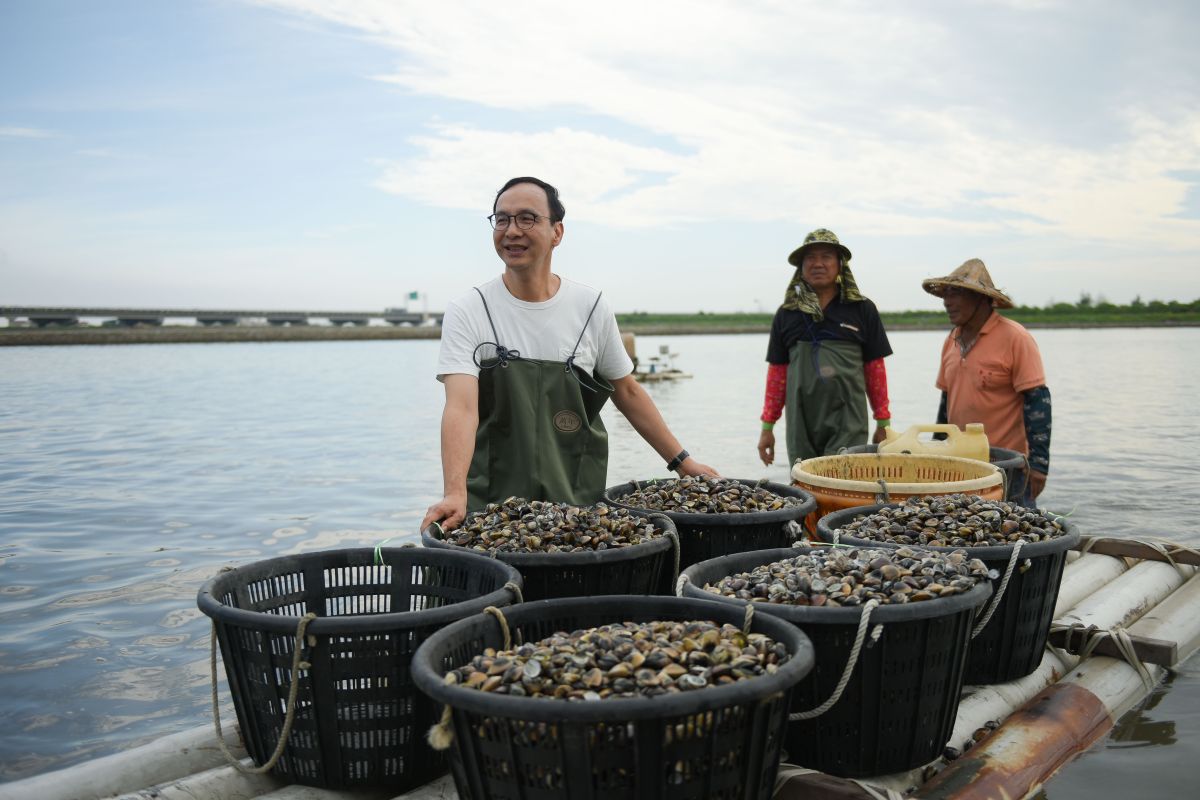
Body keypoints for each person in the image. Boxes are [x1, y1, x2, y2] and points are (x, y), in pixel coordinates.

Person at [421, 177, 716, 530]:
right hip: (489, 506)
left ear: (557, 232)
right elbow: (461, 407)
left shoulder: (590, 306)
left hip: (578, 503)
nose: (511, 231)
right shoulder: (469, 309)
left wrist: (682, 462)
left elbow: (628, 390)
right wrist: (454, 492)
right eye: (501, 219)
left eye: (527, 218)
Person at [757, 228, 893, 468]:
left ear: (840, 264)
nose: (818, 263)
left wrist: (883, 423)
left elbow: (875, 370)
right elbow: (777, 375)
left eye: (826, 256)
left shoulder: (862, 309)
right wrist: (767, 427)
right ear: (801, 266)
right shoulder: (787, 313)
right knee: (804, 485)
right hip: (801, 422)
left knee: (846, 483)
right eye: (810, 258)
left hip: (848, 418)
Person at [922, 258, 1051, 503]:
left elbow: (1038, 403)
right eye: (945, 294)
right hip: (960, 466)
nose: (947, 302)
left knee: (1016, 531)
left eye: (955, 293)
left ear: (980, 298)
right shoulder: (951, 340)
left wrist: (1039, 466)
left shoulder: (1016, 338)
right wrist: (936, 453)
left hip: (1007, 466)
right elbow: (946, 403)